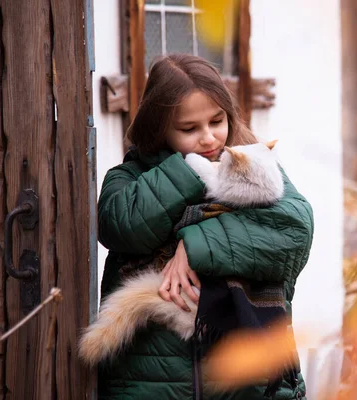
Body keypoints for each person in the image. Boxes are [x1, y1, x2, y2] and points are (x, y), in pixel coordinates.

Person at [96, 53, 314, 399]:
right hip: (152, 384)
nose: (210, 139)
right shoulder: (129, 179)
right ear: (158, 128)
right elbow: (123, 225)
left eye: (217, 121)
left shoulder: (252, 163)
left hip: (253, 383)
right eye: (189, 129)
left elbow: (293, 230)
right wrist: (193, 171)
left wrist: (193, 246)